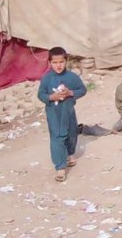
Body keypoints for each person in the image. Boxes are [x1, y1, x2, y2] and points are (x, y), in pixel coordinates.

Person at [37, 46, 88, 182]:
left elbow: (82, 90)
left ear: (66, 61)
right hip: (54, 113)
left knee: (72, 134)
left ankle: (70, 154)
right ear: (49, 63)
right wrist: (51, 97)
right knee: (57, 138)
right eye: (55, 62)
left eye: (61, 62)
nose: (58, 65)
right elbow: (40, 94)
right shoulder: (47, 79)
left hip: (69, 111)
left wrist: (71, 93)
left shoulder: (72, 77)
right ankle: (60, 167)